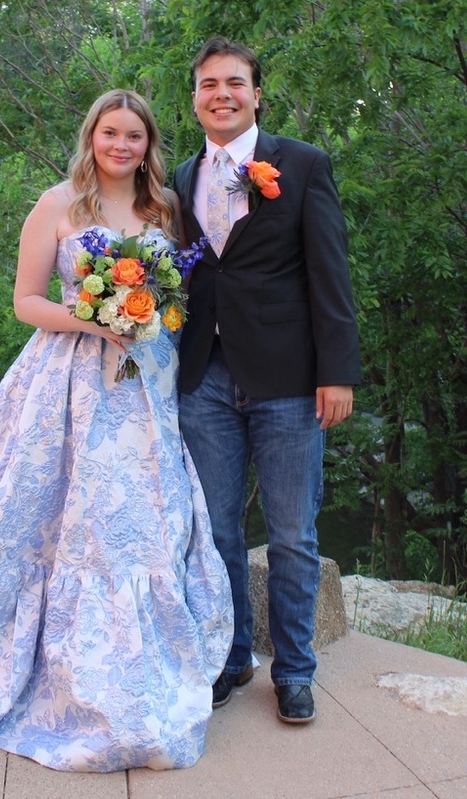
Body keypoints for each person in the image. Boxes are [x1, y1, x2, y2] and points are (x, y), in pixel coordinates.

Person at [0, 89, 233, 772]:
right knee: (49, 520)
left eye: (135, 136)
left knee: (135, 524)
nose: (122, 145)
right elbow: (26, 301)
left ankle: (132, 676)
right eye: (110, 133)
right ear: (92, 137)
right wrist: (96, 318)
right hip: (66, 383)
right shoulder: (57, 204)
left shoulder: (165, 210)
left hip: (143, 386)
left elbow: (174, 290)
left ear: (150, 145)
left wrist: (151, 317)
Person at [173, 37, 361, 725]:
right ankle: (228, 659)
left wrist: (337, 373)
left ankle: (295, 671)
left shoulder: (303, 165)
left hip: (288, 380)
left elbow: (329, 276)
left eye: (234, 83)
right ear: (193, 97)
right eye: (207, 84)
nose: (220, 93)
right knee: (216, 531)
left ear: (256, 93)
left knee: (291, 535)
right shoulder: (176, 179)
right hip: (204, 380)